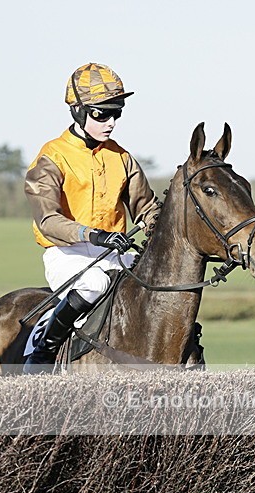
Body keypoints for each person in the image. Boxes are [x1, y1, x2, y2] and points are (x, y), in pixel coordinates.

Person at [23, 62, 159, 373]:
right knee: (94, 284)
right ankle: (43, 353)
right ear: (78, 111)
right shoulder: (52, 156)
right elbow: (48, 220)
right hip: (66, 253)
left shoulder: (122, 158)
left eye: (117, 113)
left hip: (112, 252)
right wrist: (94, 235)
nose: (111, 122)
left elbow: (147, 208)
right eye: (101, 114)